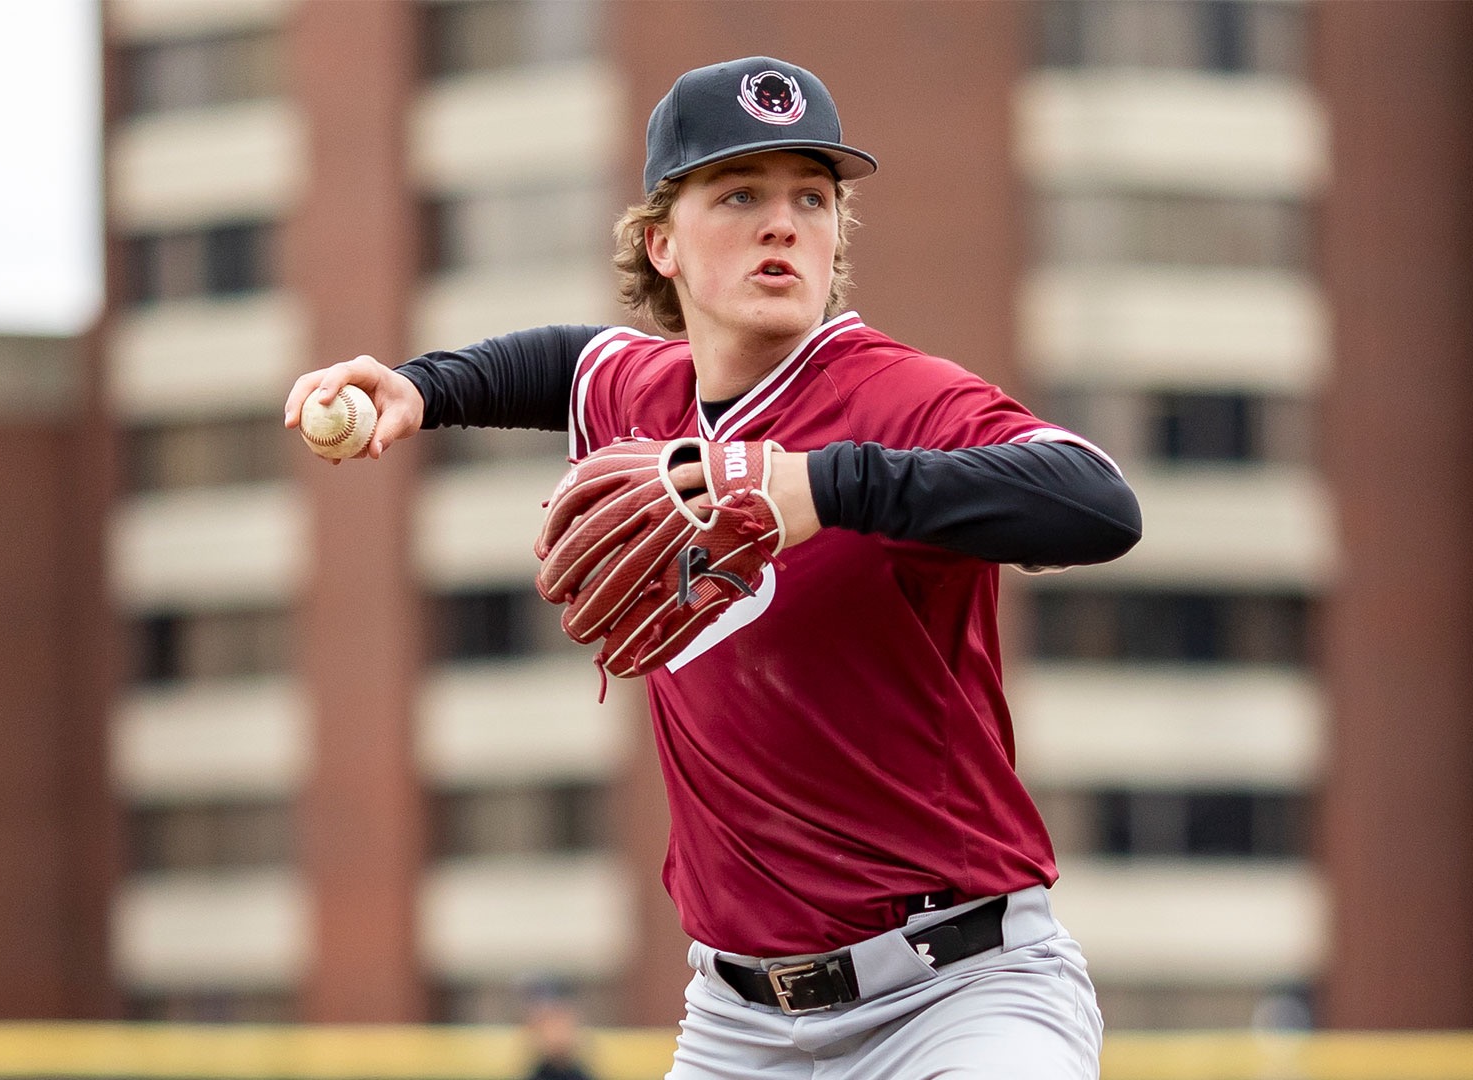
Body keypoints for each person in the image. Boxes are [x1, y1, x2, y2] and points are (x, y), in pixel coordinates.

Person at [286, 56, 1140, 1080]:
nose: (783, 223)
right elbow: (568, 359)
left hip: (960, 993)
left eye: (810, 199)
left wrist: (829, 487)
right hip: (741, 1025)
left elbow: (1096, 501)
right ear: (663, 244)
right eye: (739, 194)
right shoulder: (640, 395)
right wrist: (424, 389)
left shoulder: (900, 401)